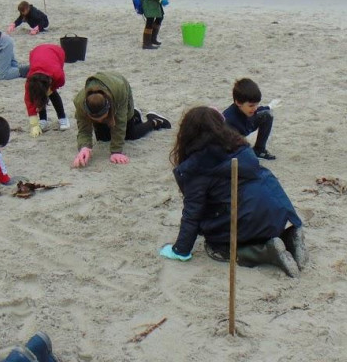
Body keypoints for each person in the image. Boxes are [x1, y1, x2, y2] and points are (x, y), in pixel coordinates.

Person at [159, 106, 307, 278]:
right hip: (280, 213)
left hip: (247, 220)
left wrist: (181, 250)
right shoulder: (241, 147)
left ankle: (265, 252)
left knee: (216, 246)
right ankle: (289, 235)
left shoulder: (196, 168)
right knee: (252, 212)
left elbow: (193, 212)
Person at [72, 72, 171, 167]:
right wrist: (84, 147)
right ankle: (135, 115)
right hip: (104, 99)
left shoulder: (119, 92)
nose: (99, 122)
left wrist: (116, 151)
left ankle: (153, 121)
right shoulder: (80, 102)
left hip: (120, 86)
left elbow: (120, 123)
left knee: (130, 135)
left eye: (103, 118)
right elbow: (83, 129)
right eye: (95, 120)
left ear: (109, 108)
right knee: (103, 138)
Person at [223, 78, 279, 160]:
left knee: (267, 115)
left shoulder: (248, 110)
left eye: (256, 105)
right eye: (251, 106)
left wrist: (269, 107)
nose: (255, 108)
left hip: (246, 127)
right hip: (233, 139)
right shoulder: (229, 120)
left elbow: (259, 110)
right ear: (238, 102)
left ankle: (259, 150)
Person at [24, 43, 70, 136]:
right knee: (39, 96)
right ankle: (42, 120)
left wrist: (50, 89)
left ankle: (62, 117)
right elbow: (29, 101)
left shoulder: (57, 74)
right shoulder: (30, 82)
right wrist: (34, 124)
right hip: (36, 53)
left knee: (52, 94)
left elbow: (61, 82)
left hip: (56, 52)